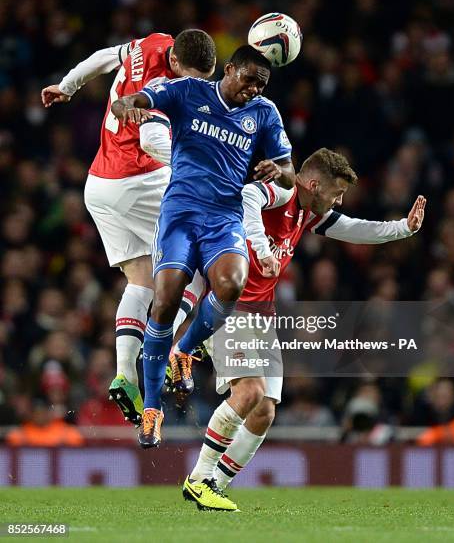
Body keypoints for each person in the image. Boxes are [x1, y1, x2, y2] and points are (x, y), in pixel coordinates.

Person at [179, 148, 425, 511]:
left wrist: (403, 228)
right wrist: (260, 248)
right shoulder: (283, 192)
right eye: (336, 193)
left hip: (264, 316)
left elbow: (354, 228)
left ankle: (216, 485)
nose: (338, 201)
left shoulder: (307, 214)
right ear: (313, 184)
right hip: (230, 306)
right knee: (249, 392)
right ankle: (198, 478)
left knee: (264, 412)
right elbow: (247, 195)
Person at [112, 46, 295, 467]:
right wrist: (127, 105)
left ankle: (184, 350)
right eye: (248, 79)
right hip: (180, 213)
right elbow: (141, 99)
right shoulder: (189, 91)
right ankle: (153, 408)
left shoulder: (264, 114)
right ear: (228, 69)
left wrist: (277, 170)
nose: (253, 89)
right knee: (165, 302)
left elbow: (289, 168)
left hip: (223, 218)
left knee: (231, 284)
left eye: (260, 85)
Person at [41, 29, 216, 425]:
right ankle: (177, 350)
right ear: (174, 63)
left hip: (100, 185)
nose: (193, 86)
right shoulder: (163, 82)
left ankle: (125, 374)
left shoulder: (152, 42)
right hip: (139, 182)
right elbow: (154, 140)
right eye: (188, 77)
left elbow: (105, 55)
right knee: (203, 265)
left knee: (140, 281)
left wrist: (67, 86)